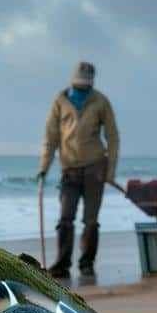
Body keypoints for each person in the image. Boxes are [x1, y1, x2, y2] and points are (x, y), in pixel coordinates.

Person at [38, 61, 120, 278]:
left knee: (90, 220)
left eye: (86, 83)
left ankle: (87, 264)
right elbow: (51, 137)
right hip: (69, 169)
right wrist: (43, 167)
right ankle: (62, 263)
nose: (83, 86)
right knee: (66, 217)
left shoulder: (100, 100)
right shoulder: (60, 101)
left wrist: (110, 170)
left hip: (95, 167)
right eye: (79, 83)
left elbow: (112, 137)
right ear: (72, 79)